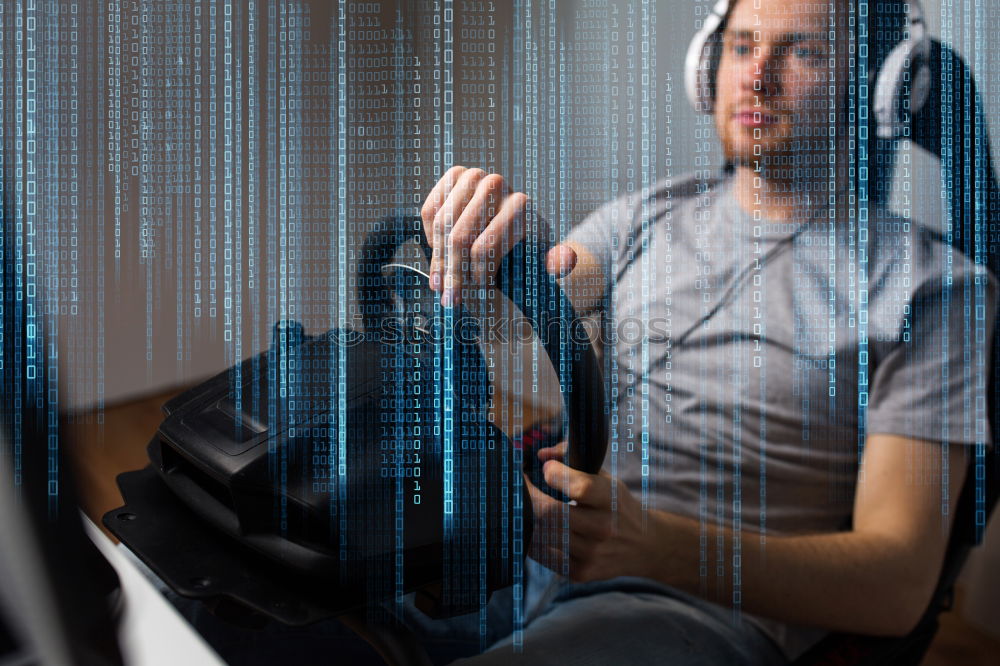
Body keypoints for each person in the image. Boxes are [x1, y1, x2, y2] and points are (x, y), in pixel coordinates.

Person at [414, 0, 998, 663]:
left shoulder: (932, 289)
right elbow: (534, 301)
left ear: (878, 84)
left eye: (803, 52)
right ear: (708, 67)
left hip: (692, 611)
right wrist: (485, 253)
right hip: (526, 548)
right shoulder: (645, 214)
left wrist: (660, 548)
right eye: (743, 46)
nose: (758, 76)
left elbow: (896, 586)